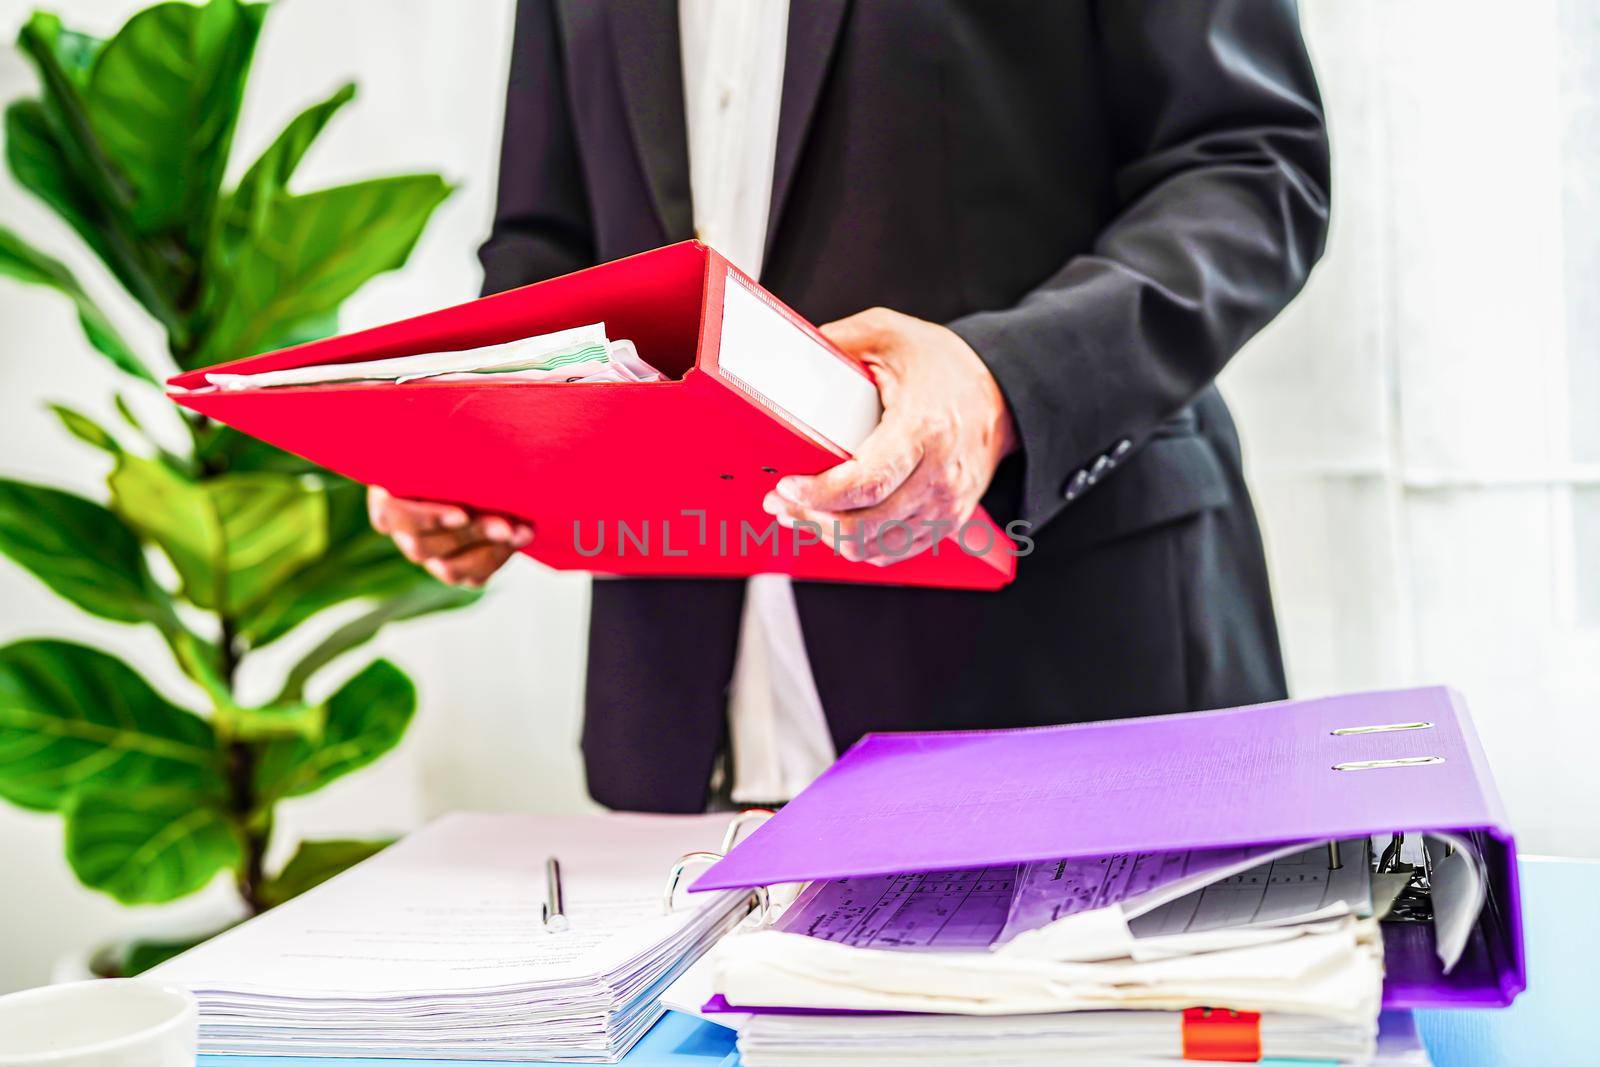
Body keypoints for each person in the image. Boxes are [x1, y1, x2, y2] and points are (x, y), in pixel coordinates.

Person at [369, 0, 1331, 813]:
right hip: (679, 730)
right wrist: (474, 431)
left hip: (1062, 683)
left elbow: (1248, 166)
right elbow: (549, 232)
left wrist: (998, 383)